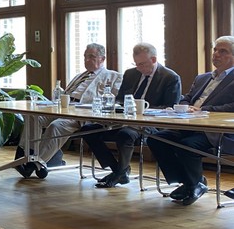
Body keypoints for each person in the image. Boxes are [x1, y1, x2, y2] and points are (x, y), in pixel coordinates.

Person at [146, 36, 234, 206]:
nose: (216, 54)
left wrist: (204, 109)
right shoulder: (202, 78)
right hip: (189, 125)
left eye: (223, 51)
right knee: (156, 139)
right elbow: (187, 97)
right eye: (215, 50)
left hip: (217, 132)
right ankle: (192, 183)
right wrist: (185, 107)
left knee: (187, 146)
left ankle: (192, 184)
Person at [81, 43, 181, 188]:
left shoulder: (170, 77)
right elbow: (120, 99)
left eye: (142, 64)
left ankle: (119, 173)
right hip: (124, 120)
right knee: (88, 130)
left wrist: (143, 109)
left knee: (125, 135)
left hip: (150, 124)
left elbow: (170, 108)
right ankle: (118, 170)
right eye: (136, 64)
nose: (139, 68)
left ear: (153, 60)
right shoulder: (131, 74)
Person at [16, 43, 121, 177]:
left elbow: (116, 102)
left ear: (102, 58)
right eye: (85, 56)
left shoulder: (114, 76)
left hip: (81, 114)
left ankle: (35, 164)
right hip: (63, 108)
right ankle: (26, 153)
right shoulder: (79, 76)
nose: (87, 60)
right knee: (33, 116)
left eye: (91, 57)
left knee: (56, 126)